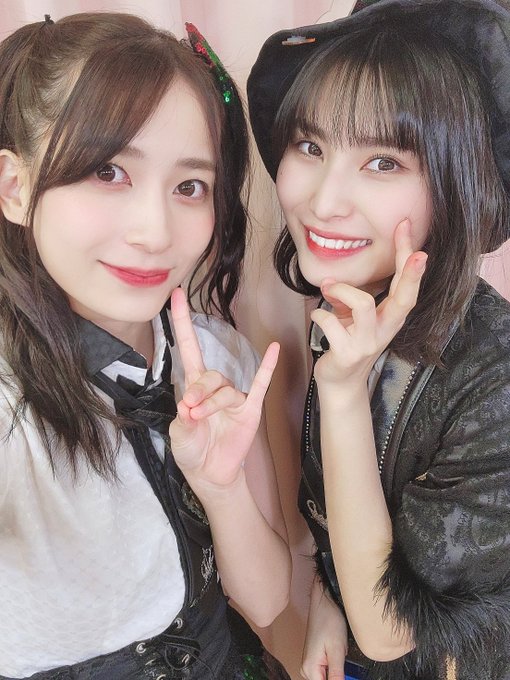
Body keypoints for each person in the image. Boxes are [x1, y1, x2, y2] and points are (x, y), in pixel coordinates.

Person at [0, 12, 292, 680]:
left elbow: (267, 602)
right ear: (15, 188)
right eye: (108, 172)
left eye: (189, 187)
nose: (155, 231)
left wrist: (221, 490)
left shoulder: (218, 359)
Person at [247, 0, 510, 678]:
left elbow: (393, 629)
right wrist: (326, 598)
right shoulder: (354, 301)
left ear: (455, 184)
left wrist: (339, 396)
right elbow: (340, 509)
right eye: (310, 147)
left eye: (384, 162)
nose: (324, 201)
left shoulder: (496, 378)